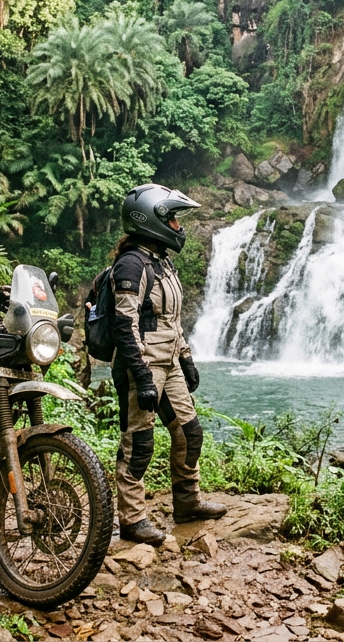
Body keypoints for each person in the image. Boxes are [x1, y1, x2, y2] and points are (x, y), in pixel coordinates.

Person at [110, 183, 227, 545]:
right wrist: (142, 376)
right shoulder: (131, 264)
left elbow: (170, 321)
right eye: (172, 217)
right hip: (142, 365)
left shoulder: (161, 262)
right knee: (139, 442)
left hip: (170, 361)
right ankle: (132, 519)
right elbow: (124, 325)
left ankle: (187, 502)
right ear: (150, 220)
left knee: (190, 433)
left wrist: (187, 357)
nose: (178, 225)